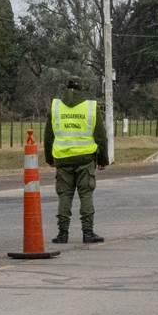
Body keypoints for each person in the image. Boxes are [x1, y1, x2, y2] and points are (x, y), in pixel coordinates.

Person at [44, 76, 108, 244]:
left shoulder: (56, 106)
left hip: (63, 159)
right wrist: (103, 160)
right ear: (82, 89)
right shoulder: (90, 107)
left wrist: (49, 158)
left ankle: (62, 234)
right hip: (85, 159)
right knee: (86, 194)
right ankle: (88, 233)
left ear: (66, 87)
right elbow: (101, 136)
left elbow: (48, 136)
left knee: (65, 195)